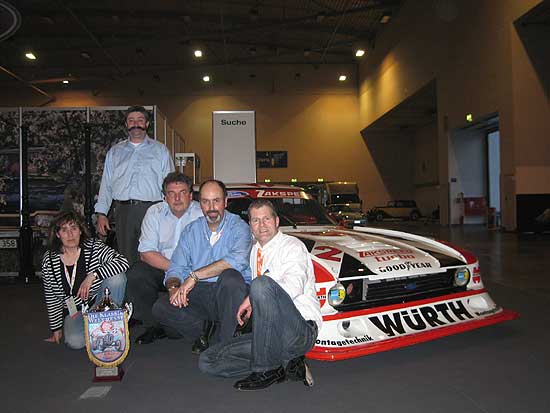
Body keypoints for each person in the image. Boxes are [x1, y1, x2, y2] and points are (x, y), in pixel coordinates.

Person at [199, 199, 322, 391]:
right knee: (208, 360)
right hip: (270, 335)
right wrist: (254, 299)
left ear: (277, 221)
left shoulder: (292, 246)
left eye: (266, 219)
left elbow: (294, 285)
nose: (262, 225)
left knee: (261, 284)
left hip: (299, 331)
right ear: (250, 225)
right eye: (256, 220)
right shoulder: (255, 249)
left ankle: (267, 369)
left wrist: (253, 297)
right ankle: (285, 362)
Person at [152, 179, 252, 351]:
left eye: (216, 201)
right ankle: (205, 329)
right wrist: (174, 289)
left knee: (231, 277)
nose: (211, 207)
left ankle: (225, 346)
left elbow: (237, 261)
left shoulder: (240, 227)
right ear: (200, 204)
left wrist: (194, 276)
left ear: (225, 202)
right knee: (161, 307)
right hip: (201, 292)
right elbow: (176, 268)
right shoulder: (191, 231)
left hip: (229, 293)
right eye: (205, 201)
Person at [126, 172, 203, 344]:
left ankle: (180, 321)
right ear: (164, 197)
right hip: (163, 267)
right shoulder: (154, 212)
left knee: (175, 332)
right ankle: (152, 325)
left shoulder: (201, 214)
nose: (177, 198)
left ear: (191, 195)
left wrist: (186, 274)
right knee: (137, 273)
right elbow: (146, 252)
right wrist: (175, 269)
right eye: (171, 193)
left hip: (191, 273)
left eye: (182, 192)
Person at [94, 105, 174, 265]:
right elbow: (107, 185)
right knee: (126, 259)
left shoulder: (160, 151)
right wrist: (101, 214)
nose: (135, 124)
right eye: (131, 120)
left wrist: (170, 214)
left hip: (153, 210)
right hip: (124, 212)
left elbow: (171, 184)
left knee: (153, 255)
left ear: (147, 124)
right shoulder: (115, 152)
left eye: (140, 120)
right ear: (126, 124)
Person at [42, 211, 129, 350]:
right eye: (64, 230)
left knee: (117, 278)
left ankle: (108, 323)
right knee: (75, 341)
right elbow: (51, 296)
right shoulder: (49, 260)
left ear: (80, 231)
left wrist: (93, 275)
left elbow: (123, 262)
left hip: (98, 302)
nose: (70, 234)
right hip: (75, 311)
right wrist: (56, 328)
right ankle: (97, 329)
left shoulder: (94, 247)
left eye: (74, 228)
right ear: (57, 234)